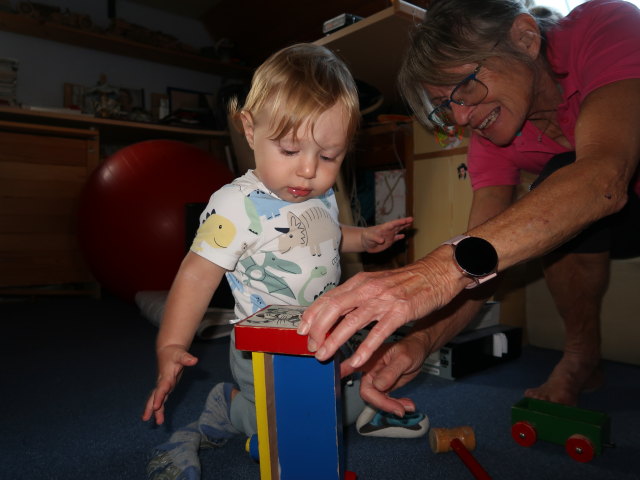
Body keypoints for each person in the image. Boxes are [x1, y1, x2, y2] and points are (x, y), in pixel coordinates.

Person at [298, 0, 640, 417]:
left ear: (525, 38)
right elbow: (480, 261)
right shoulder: (493, 137)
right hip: (614, 215)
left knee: (567, 174)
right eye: (446, 105)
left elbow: (604, 175)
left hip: (617, 183)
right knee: (556, 189)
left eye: (464, 87)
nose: (460, 116)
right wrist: (419, 342)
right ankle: (581, 356)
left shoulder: (607, 23)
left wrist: (436, 271)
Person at [141, 43, 414, 479]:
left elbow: (324, 234)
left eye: (328, 157)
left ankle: (321, 410)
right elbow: (195, 276)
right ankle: (231, 408)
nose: (309, 171)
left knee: (331, 406)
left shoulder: (319, 194)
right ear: (250, 130)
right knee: (289, 427)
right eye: (290, 150)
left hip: (322, 331)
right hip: (262, 352)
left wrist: (365, 238)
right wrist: (170, 345)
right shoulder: (234, 205)